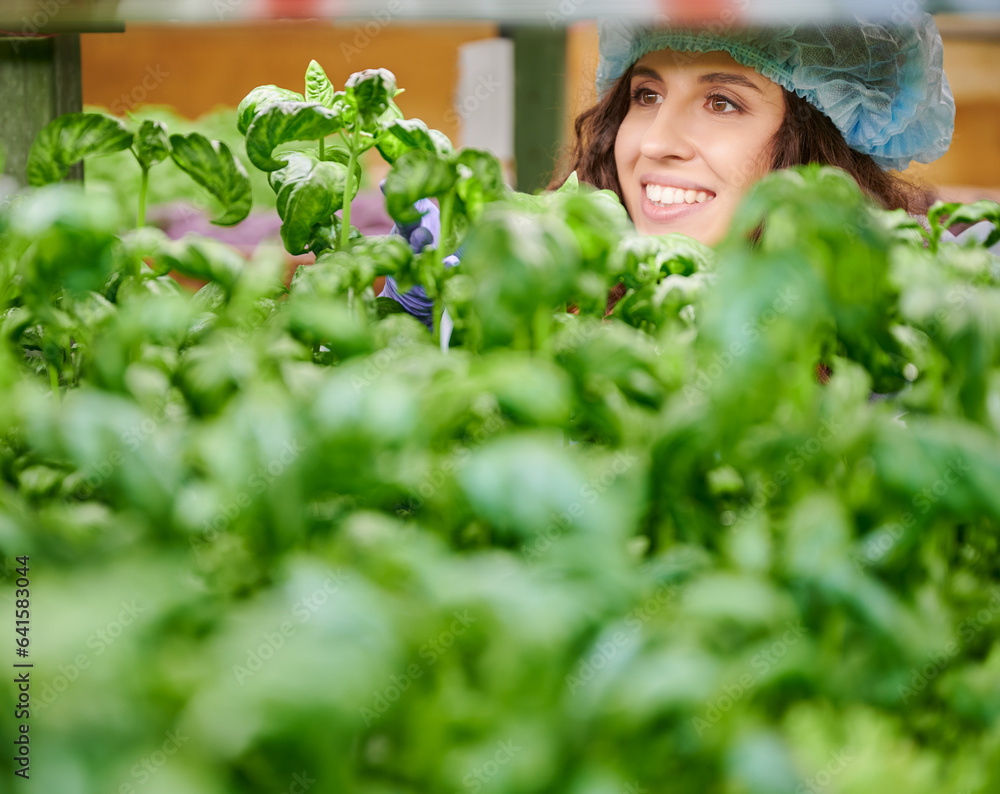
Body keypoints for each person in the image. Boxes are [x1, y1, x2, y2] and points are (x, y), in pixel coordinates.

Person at [382, 12, 994, 325]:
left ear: (822, 147)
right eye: (646, 95)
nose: (654, 142)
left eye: (721, 102)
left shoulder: (899, 330)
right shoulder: (569, 291)